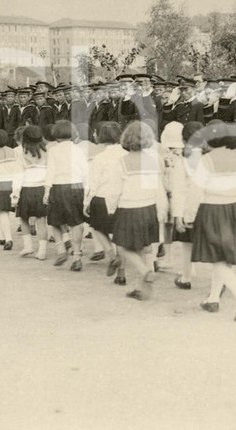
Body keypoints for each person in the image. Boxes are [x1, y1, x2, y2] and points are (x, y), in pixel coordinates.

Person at [183, 120, 236, 321]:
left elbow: (195, 192)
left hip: (211, 210)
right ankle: (213, 299)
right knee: (223, 258)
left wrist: (188, 216)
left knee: (217, 258)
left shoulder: (206, 161)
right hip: (234, 210)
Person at [102, 122, 169, 301]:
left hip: (129, 209)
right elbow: (158, 189)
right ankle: (141, 288)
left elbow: (114, 189)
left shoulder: (120, 163)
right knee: (141, 248)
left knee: (123, 246)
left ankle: (145, 271)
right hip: (148, 208)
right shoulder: (152, 161)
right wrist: (162, 209)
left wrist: (110, 207)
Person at [164, 120, 205, 290]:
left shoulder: (183, 160)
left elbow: (178, 190)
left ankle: (186, 276)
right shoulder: (209, 157)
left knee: (188, 243)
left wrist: (177, 214)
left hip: (190, 208)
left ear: (183, 140)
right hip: (209, 205)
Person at [84, 121, 127, 283]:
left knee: (96, 227)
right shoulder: (126, 154)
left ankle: (110, 253)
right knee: (120, 235)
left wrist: (86, 201)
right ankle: (121, 273)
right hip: (123, 199)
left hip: (102, 197)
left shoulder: (99, 158)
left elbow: (93, 183)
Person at [44, 119, 89, 271]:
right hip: (76, 187)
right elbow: (85, 172)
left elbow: (50, 171)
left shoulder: (53, 150)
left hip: (58, 186)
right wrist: (87, 191)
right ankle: (77, 256)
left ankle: (60, 249)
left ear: (55, 134)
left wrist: (46, 191)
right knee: (76, 223)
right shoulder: (79, 150)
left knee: (54, 221)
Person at [11, 125, 49, 260]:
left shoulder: (21, 153)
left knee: (24, 219)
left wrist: (14, 195)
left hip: (26, 189)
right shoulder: (47, 151)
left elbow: (18, 175)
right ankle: (42, 250)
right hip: (43, 188)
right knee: (41, 220)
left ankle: (28, 246)